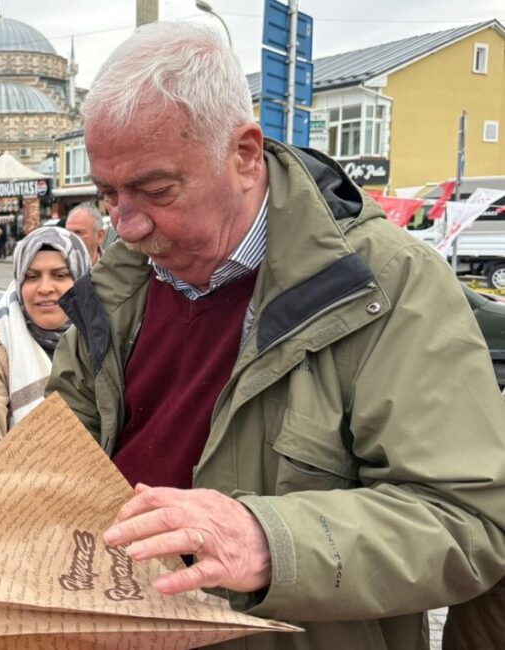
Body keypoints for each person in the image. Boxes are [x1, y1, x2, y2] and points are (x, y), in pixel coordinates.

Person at [47, 22, 505, 649]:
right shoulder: (116, 284)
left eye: (155, 190)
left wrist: (268, 542)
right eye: (108, 194)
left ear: (243, 154)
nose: (126, 225)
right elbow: (69, 436)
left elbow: (470, 522)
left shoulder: (389, 282)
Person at [0, 227, 89, 486]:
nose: (45, 288)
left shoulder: (108, 335)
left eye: (60, 275)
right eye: (32, 277)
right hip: (24, 494)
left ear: (81, 279)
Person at [64, 201, 106, 265]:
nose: (71, 238)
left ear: (99, 236)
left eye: (78, 232)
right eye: (67, 233)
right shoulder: (57, 265)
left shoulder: (114, 266)